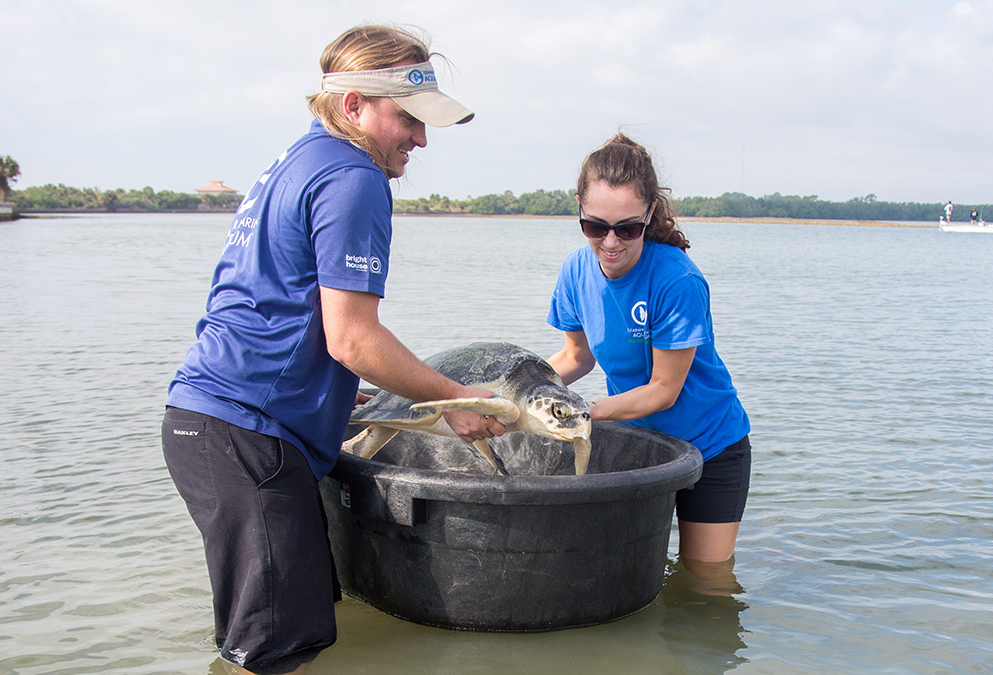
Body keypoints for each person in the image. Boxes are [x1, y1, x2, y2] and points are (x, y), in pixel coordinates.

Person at [160, 25, 505, 674]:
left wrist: (358, 391)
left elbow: (288, 314)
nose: (421, 139)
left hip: (223, 429)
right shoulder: (354, 177)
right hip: (246, 437)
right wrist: (452, 399)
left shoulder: (302, 159)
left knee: (307, 622)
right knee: (276, 652)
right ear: (353, 105)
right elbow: (352, 335)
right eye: (407, 117)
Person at [546, 134, 752, 565]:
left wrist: (585, 412)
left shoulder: (677, 280)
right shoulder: (574, 272)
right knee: (621, 568)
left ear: (650, 215)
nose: (611, 242)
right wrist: (517, 394)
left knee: (706, 582)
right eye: (595, 226)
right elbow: (575, 358)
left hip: (711, 445)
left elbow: (663, 389)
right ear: (579, 210)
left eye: (628, 228)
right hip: (639, 446)